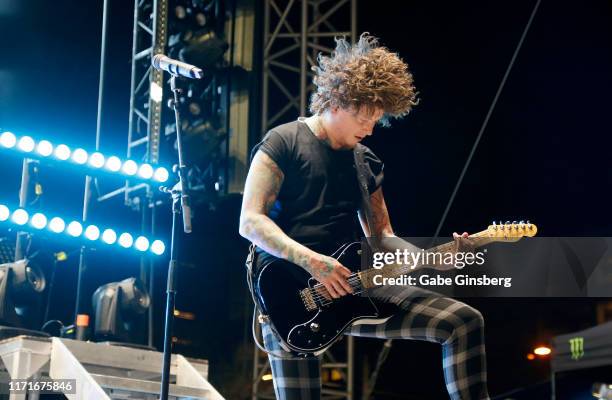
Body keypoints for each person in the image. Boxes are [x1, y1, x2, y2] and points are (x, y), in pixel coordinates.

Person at [239, 33, 490, 400]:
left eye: (378, 119)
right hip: (286, 292)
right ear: (338, 101)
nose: (371, 128)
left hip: (355, 285)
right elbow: (250, 222)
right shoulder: (283, 141)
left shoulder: (365, 162)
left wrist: (433, 258)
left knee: (463, 322)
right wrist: (313, 262)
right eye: (365, 116)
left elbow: (383, 235)